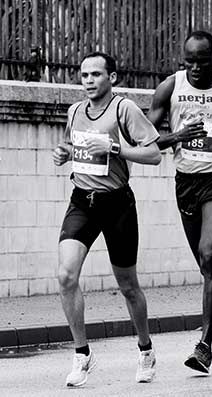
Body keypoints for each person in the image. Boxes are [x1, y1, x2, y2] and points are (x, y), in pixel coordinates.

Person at [146, 31, 212, 374]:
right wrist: (176, 137)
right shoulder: (170, 87)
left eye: (202, 61)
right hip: (187, 182)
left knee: (210, 255)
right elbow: (146, 139)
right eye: (189, 61)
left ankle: (204, 345)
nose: (195, 68)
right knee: (205, 264)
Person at [52, 52, 162, 387]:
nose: (88, 80)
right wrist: (63, 153)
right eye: (84, 74)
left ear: (111, 78)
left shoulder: (124, 109)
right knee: (66, 275)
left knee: (128, 286)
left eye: (95, 74)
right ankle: (82, 354)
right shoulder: (75, 111)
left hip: (117, 204)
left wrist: (117, 150)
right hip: (82, 201)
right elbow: (73, 147)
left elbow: (154, 154)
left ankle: (145, 349)